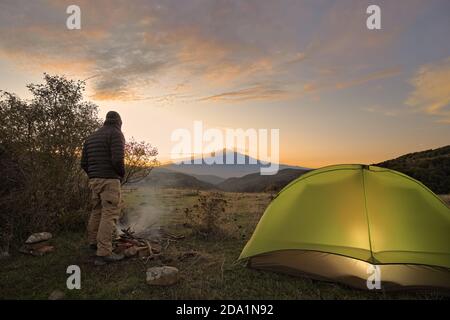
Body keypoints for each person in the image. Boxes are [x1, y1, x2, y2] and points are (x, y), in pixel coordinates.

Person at [81, 111, 125, 265]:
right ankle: (104, 252)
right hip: (109, 180)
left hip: (94, 180)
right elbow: (118, 159)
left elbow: (83, 164)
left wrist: (94, 175)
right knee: (110, 213)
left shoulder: (91, 137)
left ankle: (93, 243)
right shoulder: (116, 134)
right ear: (119, 122)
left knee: (97, 211)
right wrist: (120, 175)